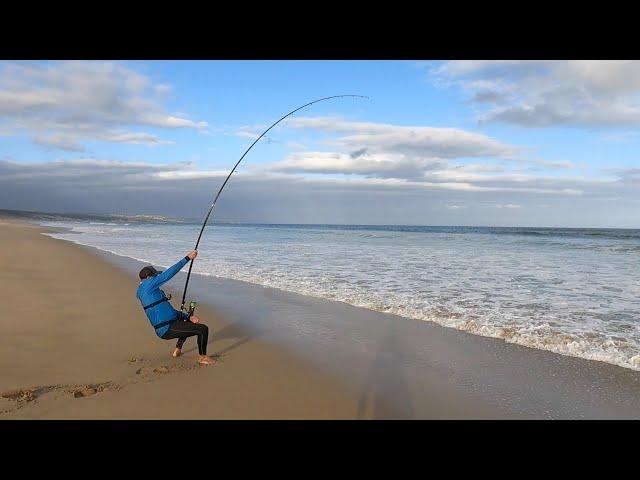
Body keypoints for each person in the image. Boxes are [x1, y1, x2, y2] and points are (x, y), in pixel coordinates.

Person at [136, 250, 216, 365]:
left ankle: (177, 350)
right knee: (203, 329)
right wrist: (187, 258)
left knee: (186, 321)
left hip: (168, 325)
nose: (158, 278)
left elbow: (170, 312)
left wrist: (188, 317)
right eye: (155, 277)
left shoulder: (146, 291)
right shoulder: (148, 286)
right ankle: (203, 357)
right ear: (149, 278)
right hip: (167, 328)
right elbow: (169, 274)